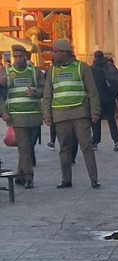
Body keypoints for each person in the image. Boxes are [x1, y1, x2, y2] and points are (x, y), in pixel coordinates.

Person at [41, 39, 100, 189]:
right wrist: (46, 114)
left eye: (55, 52)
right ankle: (66, 179)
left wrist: (95, 111)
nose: (53, 55)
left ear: (65, 53)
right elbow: (47, 95)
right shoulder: (52, 71)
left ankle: (94, 178)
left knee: (86, 146)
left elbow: (92, 92)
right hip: (61, 115)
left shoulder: (82, 67)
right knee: (64, 148)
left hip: (80, 113)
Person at [0, 44, 45, 188]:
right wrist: (3, 112)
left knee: (28, 146)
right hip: (17, 115)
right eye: (15, 57)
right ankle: (29, 177)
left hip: (34, 114)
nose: (18, 59)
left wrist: (35, 92)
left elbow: (44, 88)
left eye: (20, 56)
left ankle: (19, 173)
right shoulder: (6, 72)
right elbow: (1, 96)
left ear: (26, 56)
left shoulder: (34, 72)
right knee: (24, 146)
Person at [90, 50, 118, 151]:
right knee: (111, 120)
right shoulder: (109, 67)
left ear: (95, 57)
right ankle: (117, 141)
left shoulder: (92, 69)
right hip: (110, 98)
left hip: (97, 99)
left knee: (96, 121)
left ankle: (95, 141)